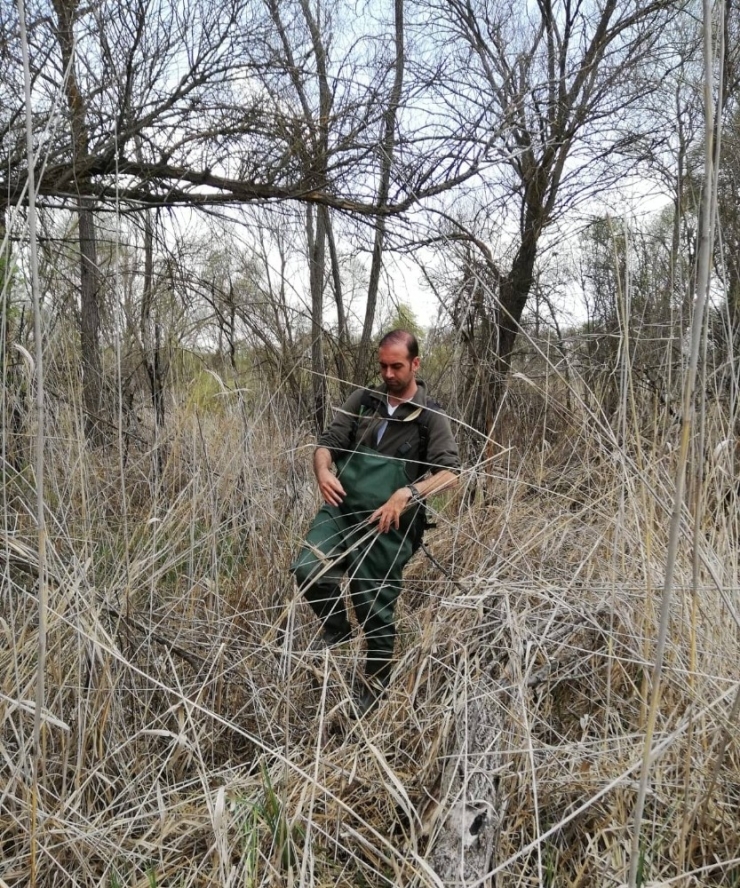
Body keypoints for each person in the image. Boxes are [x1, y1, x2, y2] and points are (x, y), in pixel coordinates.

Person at [291, 330, 460, 715]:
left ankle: (375, 685)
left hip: (388, 525)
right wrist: (322, 470)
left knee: (374, 607)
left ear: (415, 364)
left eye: (396, 366)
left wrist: (406, 495)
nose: (387, 374)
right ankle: (336, 631)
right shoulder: (363, 400)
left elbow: (451, 473)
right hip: (341, 508)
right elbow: (326, 442)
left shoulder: (430, 417)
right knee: (307, 569)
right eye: (382, 365)